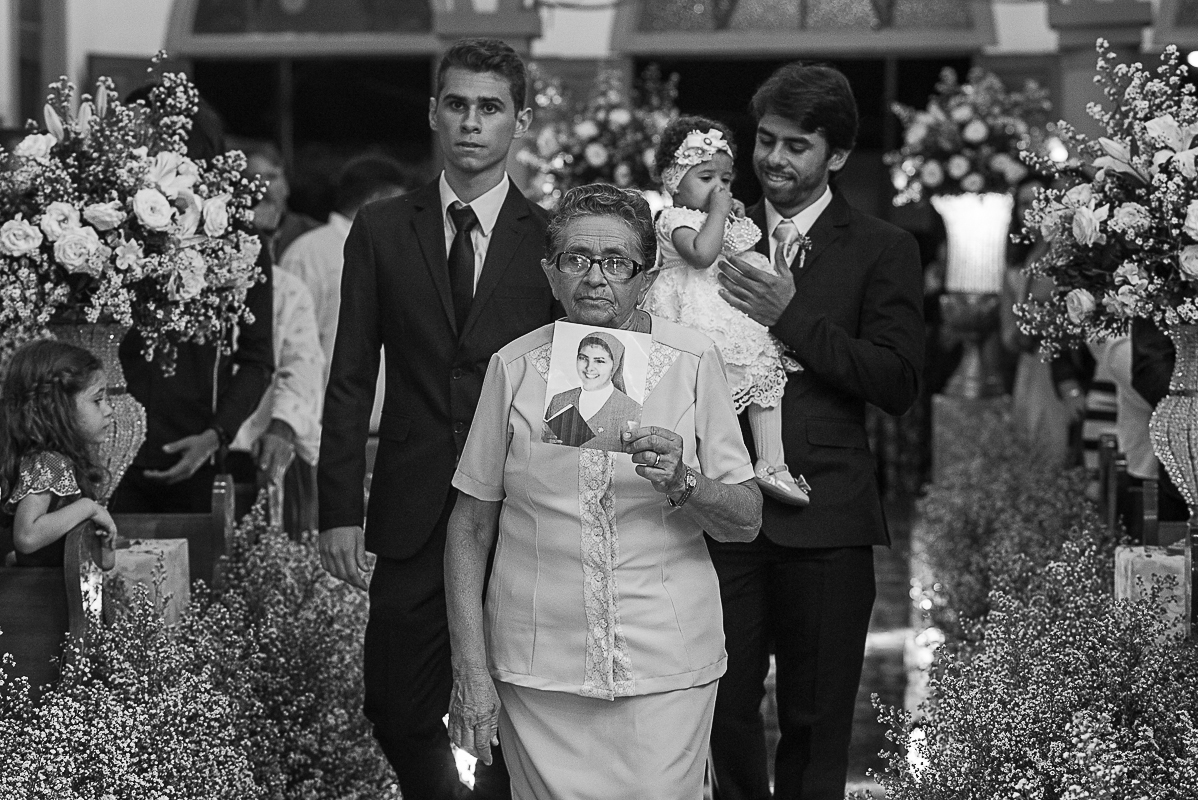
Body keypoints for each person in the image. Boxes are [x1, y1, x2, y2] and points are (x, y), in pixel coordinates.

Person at [445, 183, 763, 800]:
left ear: (646, 277)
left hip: (664, 661)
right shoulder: (513, 367)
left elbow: (746, 520)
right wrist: (471, 670)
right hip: (539, 669)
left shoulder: (694, 360)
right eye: (577, 260)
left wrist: (684, 480)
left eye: (617, 262)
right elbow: (470, 524)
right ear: (550, 273)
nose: (596, 278)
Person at [317, 38, 561, 800]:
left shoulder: (552, 238)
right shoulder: (382, 228)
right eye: (457, 104)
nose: (471, 122)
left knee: (514, 706)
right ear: (433, 113)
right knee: (394, 706)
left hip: (520, 506)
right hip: (413, 501)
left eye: (490, 107)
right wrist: (338, 509)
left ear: (519, 121)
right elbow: (351, 376)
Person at [710, 62, 925, 800]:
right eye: (766, 140)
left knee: (816, 722)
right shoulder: (714, 238)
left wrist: (791, 315)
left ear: (837, 155)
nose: (774, 159)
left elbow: (897, 381)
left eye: (797, 145)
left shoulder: (882, 248)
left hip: (828, 514)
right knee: (720, 712)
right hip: (722, 509)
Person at [110, 96, 274, 516]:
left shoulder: (239, 241)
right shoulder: (107, 227)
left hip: (195, 450)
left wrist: (216, 436)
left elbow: (257, 359)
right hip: (105, 447)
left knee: (198, 555)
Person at [645, 115, 809, 505]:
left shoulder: (713, 215)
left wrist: (730, 214)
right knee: (697, 392)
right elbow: (702, 254)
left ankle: (771, 463)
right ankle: (701, 469)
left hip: (728, 316)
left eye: (726, 179)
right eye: (706, 178)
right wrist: (720, 212)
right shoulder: (674, 219)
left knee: (762, 370)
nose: (719, 188)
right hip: (692, 316)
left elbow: (736, 248)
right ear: (673, 181)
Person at [280, 154, 413, 432]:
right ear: (377, 199)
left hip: (392, 428)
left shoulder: (399, 252)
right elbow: (289, 347)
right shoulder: (309, 253)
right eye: (400, 202)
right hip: (323, 428)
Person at [0, 340, 117, 566]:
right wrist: (88, 507)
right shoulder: (49, 462)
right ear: (56, 407)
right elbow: (27, 536)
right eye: (97, 400)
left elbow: (101, 565)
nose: (108, 410)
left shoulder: (68, 460)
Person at [227, 267, 325, 535]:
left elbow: (302, 367)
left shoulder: (286, 289)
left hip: (264, 445)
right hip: (201, 446)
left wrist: (282, 427)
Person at [543, 331, 641, 450]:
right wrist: (544, 442)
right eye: (583, 358)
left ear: (614, 366)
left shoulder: (632, 411)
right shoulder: (558, 401)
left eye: (599, 361)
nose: (589, 368)